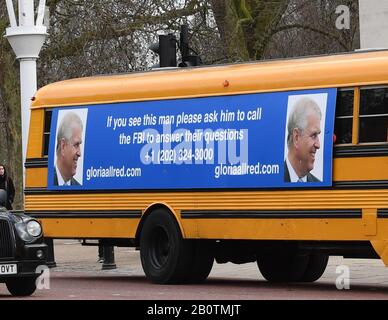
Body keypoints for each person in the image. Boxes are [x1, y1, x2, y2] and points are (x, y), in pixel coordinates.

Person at [284, 97, 322, 183]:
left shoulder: (317, 184)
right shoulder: (271, 180)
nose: (318, 145)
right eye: (313, 135)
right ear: (296, 137)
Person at [54, 111, 83, 186]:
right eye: (76, 145)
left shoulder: (78, 187)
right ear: (63, 146)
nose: (79, 153)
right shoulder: (44, 183)